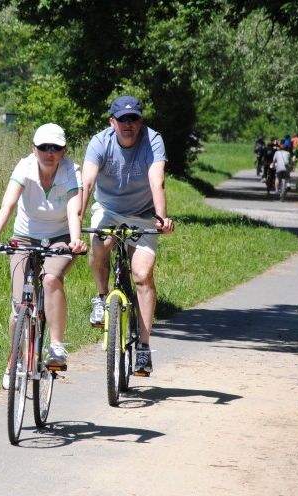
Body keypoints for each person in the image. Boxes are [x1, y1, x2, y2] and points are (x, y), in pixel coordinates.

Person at [0, 123, 87, 389]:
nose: (49, 153)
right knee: (19, 305)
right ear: (34, 148)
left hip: (61, 238)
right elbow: (9, 203)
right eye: (43, 147)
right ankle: (14, 361)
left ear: (64, 150)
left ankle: (57, 346)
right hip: (25, 238)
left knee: (51, 279)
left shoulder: (71, 171)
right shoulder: (25, 167)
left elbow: (75, 210)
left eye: (56, 148)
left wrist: (74, 240)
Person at [80, 95, 175, 377]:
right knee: (98, 243)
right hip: (108, 209)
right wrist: (74, 222)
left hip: (143, 213)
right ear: (113, 122)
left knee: (142, 275)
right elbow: (86, 182)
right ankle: (100, 297)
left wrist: (161, 218)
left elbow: (157, 180)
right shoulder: (100, 142)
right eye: (122, 119)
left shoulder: (153, 140)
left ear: (140, 121)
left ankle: (144, 347)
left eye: (133, 119)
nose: (128, 125)